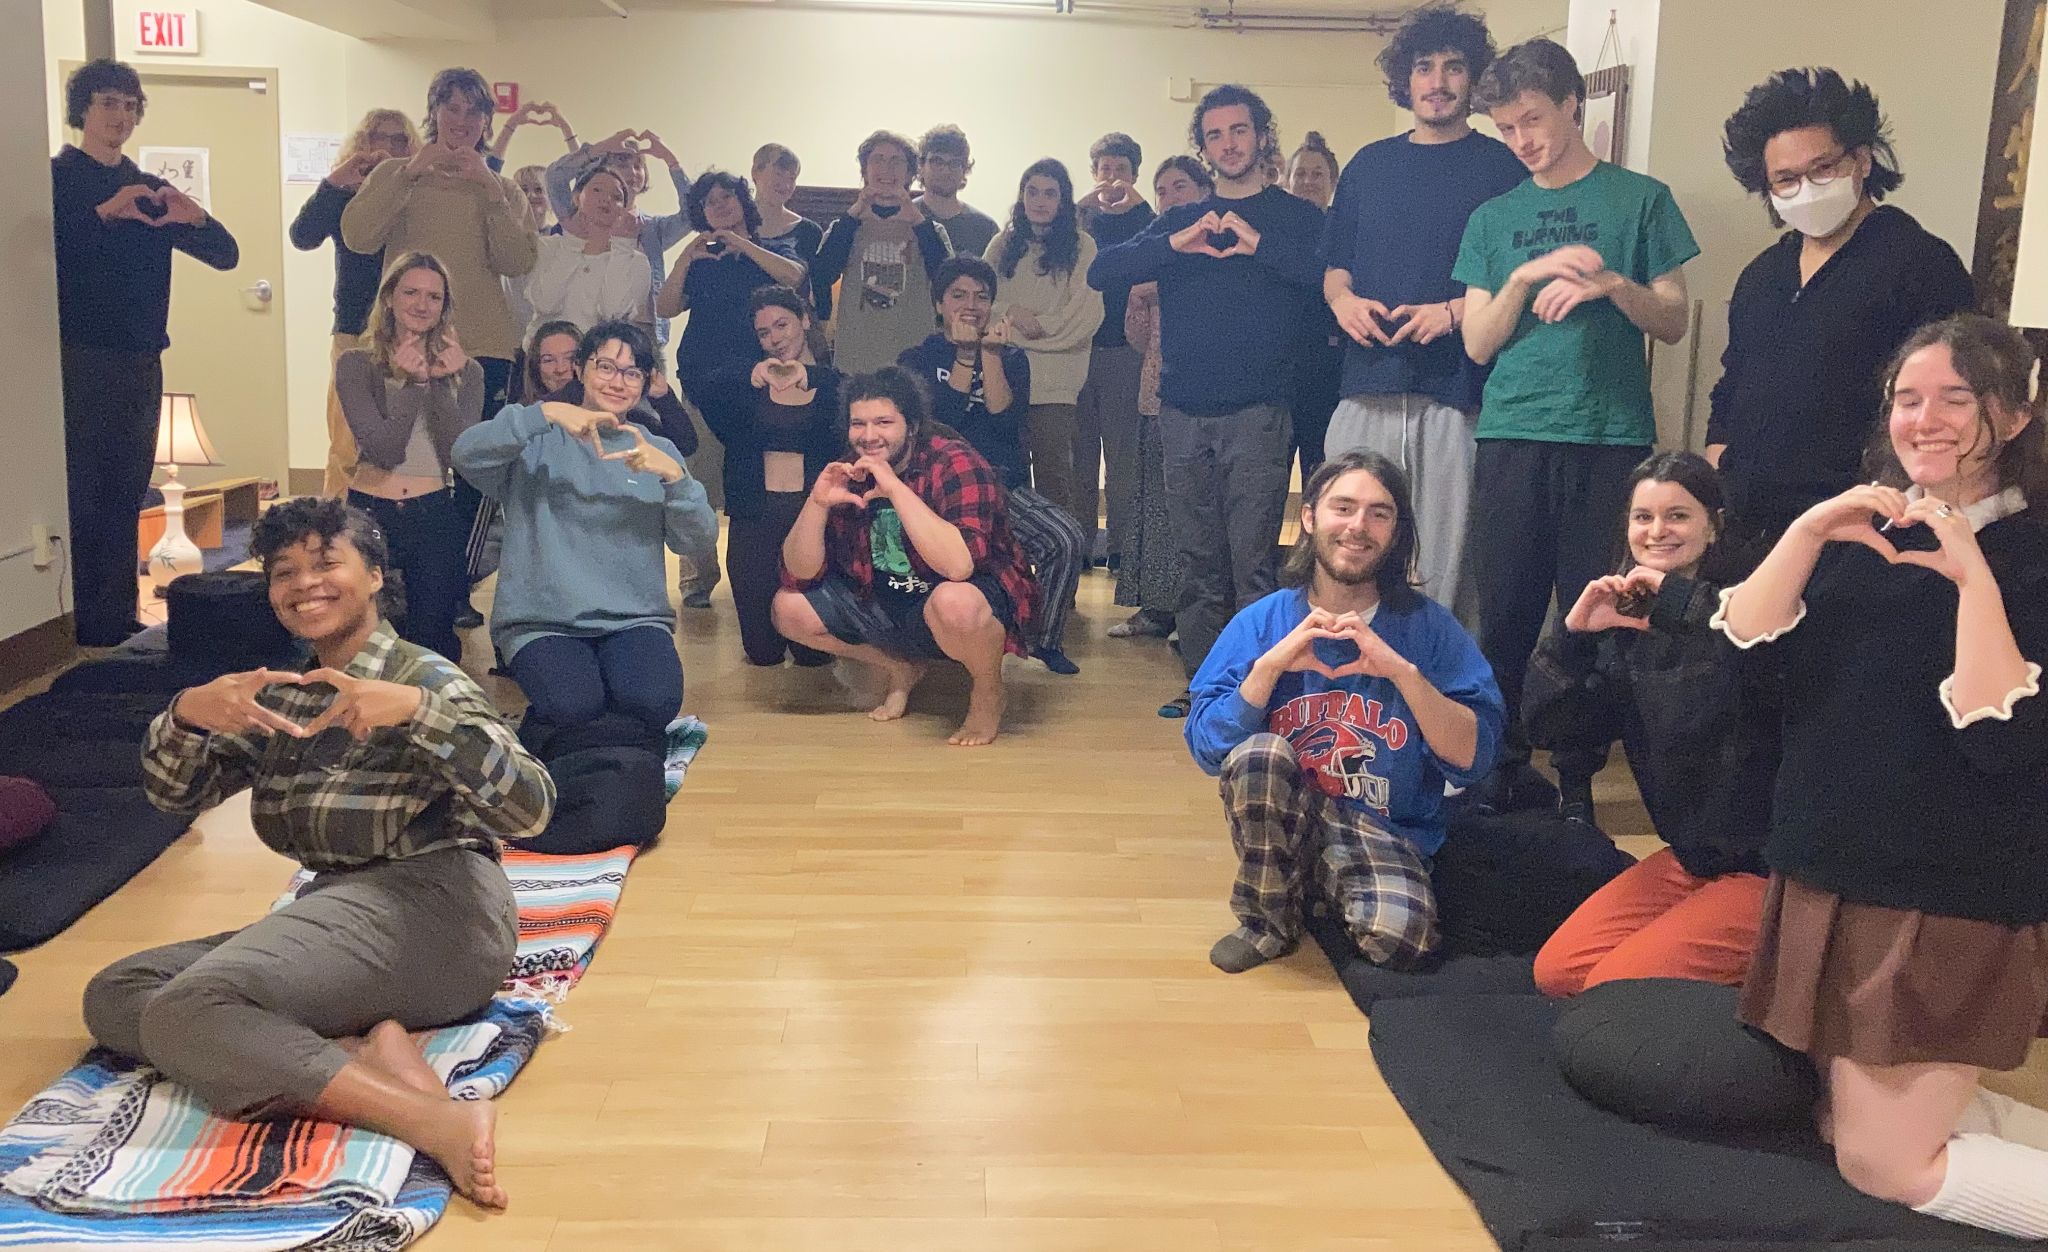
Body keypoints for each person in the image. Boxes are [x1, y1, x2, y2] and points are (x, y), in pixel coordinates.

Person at [81, 496, 554, 1212]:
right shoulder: (290, 692)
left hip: (442, 912)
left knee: (191, 1009)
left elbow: (533, 809)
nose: (305, 584)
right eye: (284, 571)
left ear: (374, 575)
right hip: (341, 908)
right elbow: (177, 798)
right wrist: (184, 718)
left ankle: (430, 1118)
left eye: (326, 562)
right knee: (119, 992)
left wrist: (421, 716)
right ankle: (364, 1052)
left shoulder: (424, 678)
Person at [1714, 314, 2048, 1241]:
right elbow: (1744, 664)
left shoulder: (2030, 553)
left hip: (1944, 896)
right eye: (1907, 399)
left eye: (1955, 399)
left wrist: (1972, 577)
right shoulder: (1863, 533)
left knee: (1884, 1162)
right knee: (1842, 1128)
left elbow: (2006, 740)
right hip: (1831, 872)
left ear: (2014, 416)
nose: (1924, 419)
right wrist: (1809, 530)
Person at [1455, 38, 1699, 813]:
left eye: (1532, 119)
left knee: (1596, 613)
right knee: (1506, 612)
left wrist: (1612, 284)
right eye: (1506, 128)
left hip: (1609, 437)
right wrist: (1526, 276)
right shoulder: (1493, 218)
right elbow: (1478, 342)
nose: (1521, 140)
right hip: (1512, 434)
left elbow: (1673, 321)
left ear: (1572, 104)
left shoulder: (1641, 200)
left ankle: (1578, 778)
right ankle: (1499, 767)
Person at [1185, 451, 1503, 973]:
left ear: (1396, 532)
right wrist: (1268, 670)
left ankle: (1311, 883)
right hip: (1284, 810)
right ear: (1310, 517)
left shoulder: (1430, 629)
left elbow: (1474, 759)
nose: (1358, 526)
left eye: (1380, 513)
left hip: (1384, 828)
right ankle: (1268, 920)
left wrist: (1405, 675)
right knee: (1259, 755)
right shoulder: (1259, 624)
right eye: (1344, 507)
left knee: (1402, 944)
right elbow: (1207, 748)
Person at [1088, 84, 1327, 721]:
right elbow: (1101, 271)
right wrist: (1176, 243)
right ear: (1203, 146)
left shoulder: (1295, 217)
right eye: (1215, 134)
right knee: (1197, 565)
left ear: (1261, 136)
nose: (1228, 143)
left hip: (1260, 412)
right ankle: (1207, 690)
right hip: (1182, 412)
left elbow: (1328, 280)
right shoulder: (1181, 222)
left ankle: (1263, 693)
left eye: (1239, 130)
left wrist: (1258, 246)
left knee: (1252, 566)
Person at [1525, 452, 1776, 994]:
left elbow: (1740, 657)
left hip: (1768, 867)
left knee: (1615, 986)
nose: (1657, 531)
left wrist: (1676, 602)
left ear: (1714, 526)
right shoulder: (1626, 622)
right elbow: (1555, 728)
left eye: (1677, 516)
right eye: (1643, 517)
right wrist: (1573, 638)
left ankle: (1778, 973)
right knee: (1559, 973)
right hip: (1691, 856)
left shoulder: (1756, 610)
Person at [1709, 68, 1976, 546]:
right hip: (1747, 526)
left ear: (1863, 160)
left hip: (1859, 529)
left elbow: (1949, 403)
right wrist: (1717, 463)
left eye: (1823, 168)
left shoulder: (1919, 264)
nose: (1807, 187)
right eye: (1786, 179)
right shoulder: (1762, 276)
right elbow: (1732, 386)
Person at [1323, 4, 1525, 623]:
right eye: (1424, 67)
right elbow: (1335, 266)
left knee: (1445, 564)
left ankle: (1435, 678)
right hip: (1366, 387)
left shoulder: (1503, 169)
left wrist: (1457, 311)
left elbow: (1520, 278)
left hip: (1456, 396)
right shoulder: (1368, 165)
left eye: (1454, 67)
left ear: (1473, 78)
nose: (1438, 81)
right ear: (1405, 81)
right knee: (1350, 554)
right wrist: (1343, 301)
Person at [52, 58, 240, 648]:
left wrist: (196, 217)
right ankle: (82, 619)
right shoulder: (58, 178)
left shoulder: (151, 187)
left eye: (131, 106)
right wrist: (105, 214)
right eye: (109, 102)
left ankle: (116, 616)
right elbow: (50, 253)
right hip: (81, 356)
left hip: (140, 358)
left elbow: (227, 255)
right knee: (85, 489)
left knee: (128, 488)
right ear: (83, 109)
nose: (121, 115)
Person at [453, 320, 717, 734]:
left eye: (632, 372)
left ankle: (626, 767)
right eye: (605, 367)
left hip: (634, 619)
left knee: (653, 701)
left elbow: (696, 539)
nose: (617, 381)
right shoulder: (534, 438)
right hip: (541, 621)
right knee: (574, 706)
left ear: (646, 381)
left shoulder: (658, 449)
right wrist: (544, 413)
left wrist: (676, 480)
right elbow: (465, 455)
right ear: (581, 369)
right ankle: (550, 757)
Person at [771, 366, 1041, 747]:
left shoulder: (954, 462)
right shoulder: (849, 468)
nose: (869, 436)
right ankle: (899, 667)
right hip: (886, 602)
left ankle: (988, 690)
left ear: (911, 427)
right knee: (787, 608)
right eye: (858, 424)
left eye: (884, 422)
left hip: (962, 597)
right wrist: (816, 504)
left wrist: (896, 489)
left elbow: (959, 565)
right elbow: (799, 572)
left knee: (954, 603)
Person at [901, 255, 1088, 675]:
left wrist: (988, 353)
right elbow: (941, 421)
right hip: (938, 490)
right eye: (959, 295)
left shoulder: (1012, 357)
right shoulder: (917, 359)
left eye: (981, 296)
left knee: (1066, 539)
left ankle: (1042, 643)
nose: (971, 305)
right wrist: (964, 356)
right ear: (939, 304)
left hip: (1001, 484)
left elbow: (1004, 418)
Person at [341, 67, 537, 415]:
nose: (462, 121)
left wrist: (491, 192)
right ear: (434, 113)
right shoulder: (393, 173)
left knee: (478, 450)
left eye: (473, 112)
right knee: (400, 444)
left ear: (487, 122)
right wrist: (409, 174)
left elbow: (517, 262)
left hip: (483, 347)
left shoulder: (505, 191)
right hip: (404, 344)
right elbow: (358, 238)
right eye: (452, 109)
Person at [335, 252, 485, 663]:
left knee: (432, 640)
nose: (422, 304)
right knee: (364, 638)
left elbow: (460, 455)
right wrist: (412, 384)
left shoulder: (468, 372)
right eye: (411, 293)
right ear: (389, 298)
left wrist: (439, 384)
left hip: (433, 511)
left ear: (445, 306)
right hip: (369, 511)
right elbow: (385, 451)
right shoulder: (355, 363)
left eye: (434, 297)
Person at [689, 288, 842, 667]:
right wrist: (748, 372)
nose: (775, 338)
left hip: (810, 520)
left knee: (813, 655)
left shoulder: (832, 386)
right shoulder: (747, 386)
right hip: (755, 517)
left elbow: (856, 393)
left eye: (781, 325)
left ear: (804, 320)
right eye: (764, 333)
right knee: (762, 652)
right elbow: (702, 388)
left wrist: (810, 374)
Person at [1110, 156, 1211, 655]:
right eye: (1162, 189)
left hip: (1201, 400)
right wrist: (1139, 299)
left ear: (1204, 191)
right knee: (1151, 507)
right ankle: (1154, 607)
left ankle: (1195, 615)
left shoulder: (1215, 250)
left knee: (1192, 512)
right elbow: (1136, 339)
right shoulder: (1153, 252)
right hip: (1153, 394)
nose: (1170, 197)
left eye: (1180, 186)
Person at [292, 108, 420, 499]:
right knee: (346, 440)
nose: (389, 147)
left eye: (399, 139)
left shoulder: (416, 196)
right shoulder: (347, 195)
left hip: (408, 332)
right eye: (379, 137)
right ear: (363, 143)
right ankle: (336, 522)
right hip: (354, 330)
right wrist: (334, 182)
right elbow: (303, 235)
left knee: (405, 441)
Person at [983, 158, 1105, 539]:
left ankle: (1064, 566)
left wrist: (1028, 329)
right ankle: (1014, 566)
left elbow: (1082, 320)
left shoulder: (1083, 247)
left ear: (1063, 201)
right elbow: (981, 307)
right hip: (1006, 383)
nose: (1039, 200)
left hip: (1057, 388)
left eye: (1050, 193)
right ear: (1021, 197)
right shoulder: (1002, 245)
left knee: (1056, 482)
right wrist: (1012, 313)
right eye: (1032, 191)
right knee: (1008, 481)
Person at [1075, 132, 1156, 570]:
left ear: (1134, 175)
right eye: (1105, 169)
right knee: (1079, 457)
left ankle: (1122, 548)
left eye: (1121, 169)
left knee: (1123, 458)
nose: (1112, 178)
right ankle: (1080, 544)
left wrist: (1141, 207)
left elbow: (1162, 242)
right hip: (1076, 351)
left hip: (1124, 351)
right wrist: (1079, 207)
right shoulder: (1079, 221)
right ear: (1094, 173)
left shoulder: (1146, 221)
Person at [658, 169, 810, 396]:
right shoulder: (701, 260)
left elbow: (795, 277)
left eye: (726, 196)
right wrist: (684, 258)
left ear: (742, 201)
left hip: (763, 376)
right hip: (702, 377)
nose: (719, 205)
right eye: (710, 202)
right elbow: (665, 309)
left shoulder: (773, 249)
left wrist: (741, 243)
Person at [813, 131, 954, 374]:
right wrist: (854, 213)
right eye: (878, 159)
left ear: (910, 174)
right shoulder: (845, 227)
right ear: (864, 170)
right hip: (855, 361)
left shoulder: (931, 230)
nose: (886, 168)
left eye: (896, 161)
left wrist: (917, 220)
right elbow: (821, 275)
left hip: (913, 363)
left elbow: (948, 283)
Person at [542, 123, 695, 347]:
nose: (632, 173)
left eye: (638, 166)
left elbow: (693, 215)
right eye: (622, 164)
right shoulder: (581, 216)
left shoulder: (651, 228)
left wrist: (671, 160)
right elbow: (555, 178)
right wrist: (601, 148)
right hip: (588, 326)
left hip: (643, 333)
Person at [524, 165, 652, 340]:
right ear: (577, 197)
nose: (606, 199)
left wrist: (623, 248)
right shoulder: (547, 246)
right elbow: (544, 304)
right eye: (597, 190)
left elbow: (613, 315)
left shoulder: (636, 262)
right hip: (544, 354)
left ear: (623, 209)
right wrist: (572, 245)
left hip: (598, 355)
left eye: (617, 197)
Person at [1284, 130, 1344, 485]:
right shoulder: (1274, 232)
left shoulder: (1341, 231)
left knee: (1320, 474)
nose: (1308, 181)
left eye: (1317, 174)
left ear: (1332, 183)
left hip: (1325, 372)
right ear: (1287, 180)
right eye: (1300, 174)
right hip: (1277, 376)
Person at [753, 143, 825, 313]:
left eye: (792, 178)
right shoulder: (732, 224)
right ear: (755, 173)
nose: (785, 185)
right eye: (778, 174)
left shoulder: (809, 232)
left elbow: (815, 292)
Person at [913, 124, 1000, 259]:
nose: (945, 171)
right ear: (921, 166)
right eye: (937, 161)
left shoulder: (985, 228)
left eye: (954, 163)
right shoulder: (904, 217)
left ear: (964, 170)